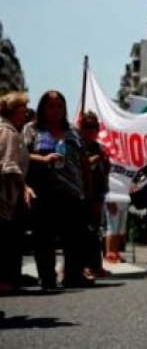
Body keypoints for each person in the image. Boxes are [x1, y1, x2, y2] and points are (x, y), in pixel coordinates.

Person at [24, 90, 93, 289]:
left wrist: (87, 188)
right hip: (42, 191)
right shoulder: (32, 129)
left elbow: (83, 161)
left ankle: (72, 274)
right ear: (43, 108)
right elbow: (23, 155)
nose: (56, 111)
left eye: (60, 106)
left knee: (73, 236)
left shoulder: (73, 131)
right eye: (51, 106)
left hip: (71, 191)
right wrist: (44, 159)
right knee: (43, 237)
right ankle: (47, 277)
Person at [0, 92, 33, 295]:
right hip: (3, 197)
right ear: (15, 111)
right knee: (4, 242)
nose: (26, 114)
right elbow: (8, 165)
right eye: (24, 110)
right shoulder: (8, 132)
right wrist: (25, 187)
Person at [79, 111, 111, 278]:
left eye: (94, 127)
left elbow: (106, 171)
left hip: (97, 192)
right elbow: (78, 166)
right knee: (83, 230)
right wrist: (95, 159)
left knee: (96, 230)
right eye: (87, 127)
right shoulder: (77, 145)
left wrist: (105, 160)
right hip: (82, 193)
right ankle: (83, 266)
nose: (91, 131)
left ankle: (96, 264)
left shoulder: (99, 147)